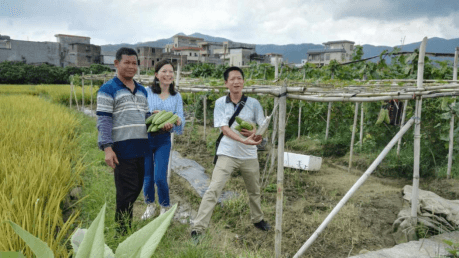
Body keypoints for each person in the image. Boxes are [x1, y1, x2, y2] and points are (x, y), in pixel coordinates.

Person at [191, 66, 271, 239]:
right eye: (232, 79)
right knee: (214, 189)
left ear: (243, 81)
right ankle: (198, 228)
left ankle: (258, 219)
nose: (236, 81)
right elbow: (225, 129)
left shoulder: (254, 103)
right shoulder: (220, 103)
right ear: (226, 83)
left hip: (249, 154)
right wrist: (244, 139)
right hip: (227, 152)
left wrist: (255, 133)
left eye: (239, 78)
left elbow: (261, 126)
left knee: (254, 190)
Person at [96, 47, 150, 233]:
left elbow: (146, 116)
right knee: (126, 193)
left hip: (141, 147)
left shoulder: (143, 91)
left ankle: (124, 229)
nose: (131, 66)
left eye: (134, 63)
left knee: (136, 189)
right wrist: (107, 148)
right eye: (126, 62)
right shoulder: (108, 89)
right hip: (122, 149)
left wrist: (159, 119)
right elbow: (103, 119)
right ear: (116, 63)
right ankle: (122, 233)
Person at [141, 60, 185, 220]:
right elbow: (140, 112)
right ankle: (150, 205)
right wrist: (152, 115)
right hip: (146, 137)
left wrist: (176, 122)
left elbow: (180, 117)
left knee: (160, 177)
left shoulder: (176, 96)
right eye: (164, 71)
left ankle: (165, 207)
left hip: (163, 140)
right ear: (156, 75)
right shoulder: (146, 92)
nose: (168, 75)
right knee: (147, 176)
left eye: (170, 72)